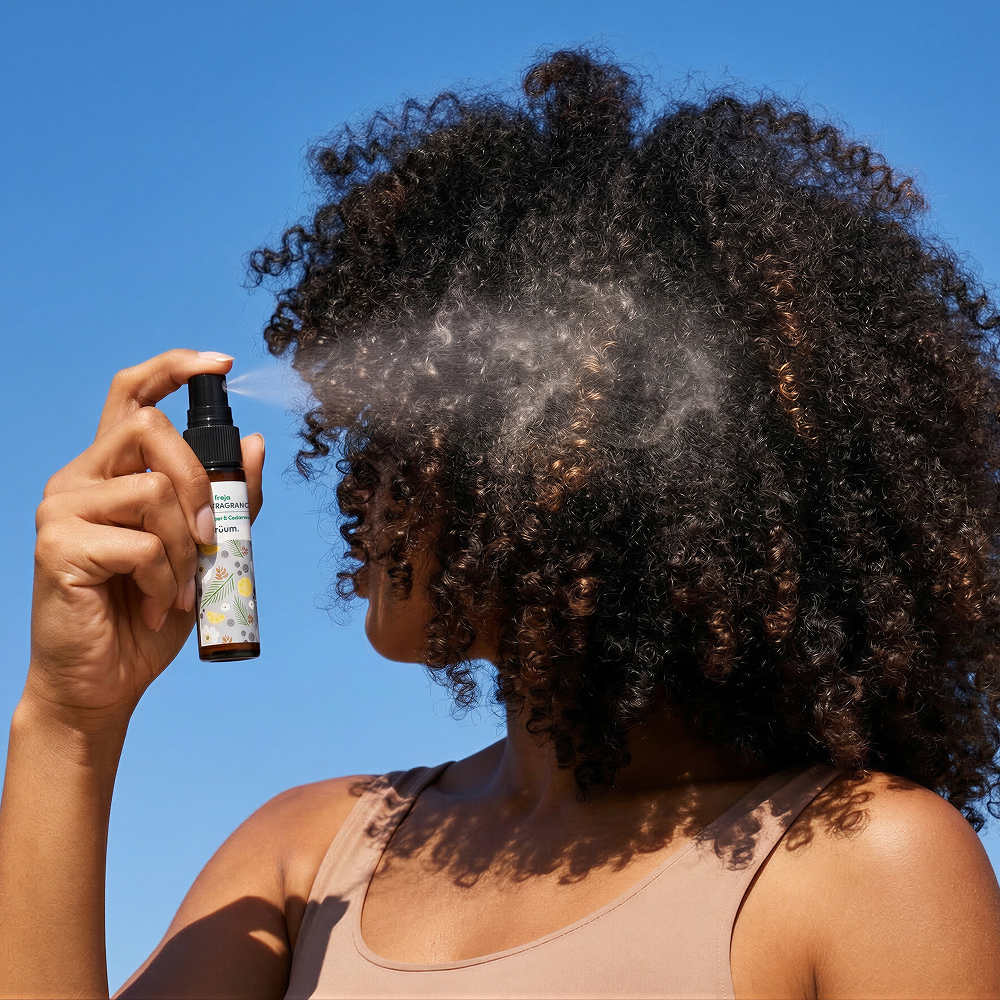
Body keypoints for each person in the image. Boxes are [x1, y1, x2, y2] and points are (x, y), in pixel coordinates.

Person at [3, 49, 1000, 1000]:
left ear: (580, 464)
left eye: (402, 430)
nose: (358, 479)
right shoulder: (301, 858)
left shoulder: (866, 865)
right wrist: (70, 723)